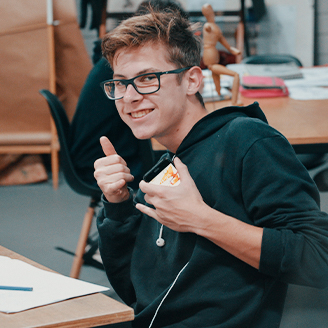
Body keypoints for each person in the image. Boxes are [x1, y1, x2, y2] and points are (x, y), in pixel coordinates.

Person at [94, 7, 328, 328]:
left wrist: (202, 220)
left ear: (191, 80)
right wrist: (118, 204)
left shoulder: (247, 140)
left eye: (147, 79)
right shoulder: (164, 169)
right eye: (120, 84)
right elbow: (139, 294)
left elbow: (318, 256)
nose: (130, 97)